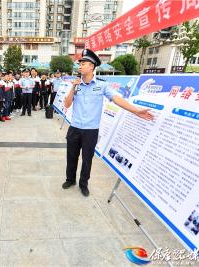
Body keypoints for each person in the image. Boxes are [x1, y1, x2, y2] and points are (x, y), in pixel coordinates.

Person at [61, 49, 154, 197]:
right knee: (71, 156)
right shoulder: (75, 84)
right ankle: (70, 179)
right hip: (74, 128)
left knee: (87, 160)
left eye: (83, 63)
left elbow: (117, 99)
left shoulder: (102, 85)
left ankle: (83, 184)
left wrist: (136, 110)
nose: (80, 66)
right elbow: (66, 104)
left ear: (92, 66)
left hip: (91, 131)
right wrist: (73, 87)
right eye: (80, 63)